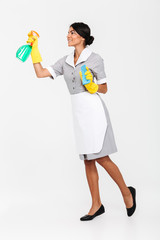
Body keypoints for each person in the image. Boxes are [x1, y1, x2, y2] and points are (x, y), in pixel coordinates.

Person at [27, 22, 136, 221]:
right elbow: (40, 73)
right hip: (78, 113)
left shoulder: (94, 59)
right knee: (88, 160)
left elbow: (104, 88)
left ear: (82, 37)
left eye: (72, 32)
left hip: (94, 112)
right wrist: (35, 50)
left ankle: (127, 193)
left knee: (102, 158)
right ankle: (96, 205)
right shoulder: (65, 61)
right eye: (68, 32)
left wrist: (93, 86)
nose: (68, 35)